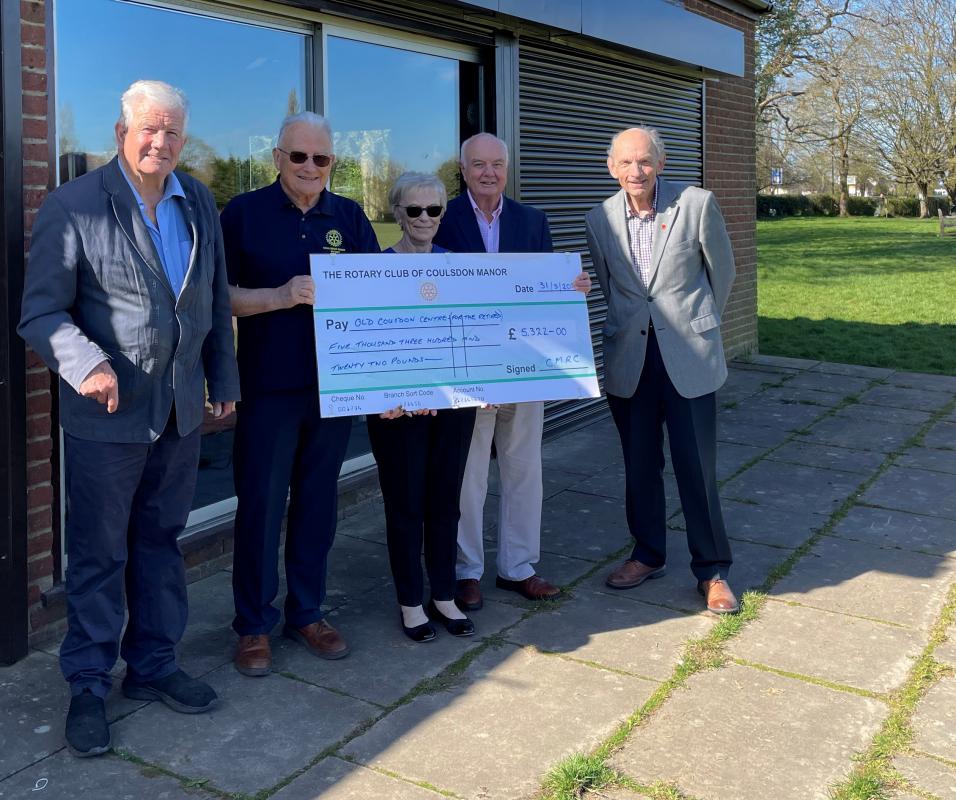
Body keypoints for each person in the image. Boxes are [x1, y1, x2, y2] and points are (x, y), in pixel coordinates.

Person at [18, 80, 240, 757]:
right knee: (97, 555)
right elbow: (40, 313)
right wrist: (84, 362)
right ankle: (88, 684)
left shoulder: (198, 199)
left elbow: (213, 296)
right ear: (122, 131)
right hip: (106, 421)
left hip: (177, 413)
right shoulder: (75, 206)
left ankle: (153, 665)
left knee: (159, 543)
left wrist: (224, 377)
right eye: (149, 129)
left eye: (173, 131)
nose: (161, 142)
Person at [222, 111, 379, 677]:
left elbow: (378, 301)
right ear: (277, 158)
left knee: (318, 505)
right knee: (261, 507)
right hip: (267, 388)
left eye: (322, 159)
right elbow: (220, 300)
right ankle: (252, 625)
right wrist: (281, 296)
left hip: (333, 389)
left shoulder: (351, 216)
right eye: (299, 157)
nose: (311, 167)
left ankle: (307, 611)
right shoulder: (243, 215)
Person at [584, 126, 739, 614]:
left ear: (661, 164)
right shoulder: (598, 218)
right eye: (626, 163)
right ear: (612, 168)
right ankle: (648, 554)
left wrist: (698, 328)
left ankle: (712, 570)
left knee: (696, 466)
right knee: (639, 465)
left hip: (688, 358)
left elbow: (723, 273)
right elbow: (612, 288)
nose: (636, 171)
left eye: (645, 161)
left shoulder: (696, 204)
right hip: (631, 358)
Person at [433, 133, 590, 610]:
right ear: (462, 170)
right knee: (469, 474)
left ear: (507, 168)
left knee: (524, 469)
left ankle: (519, 567)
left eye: (497, 164)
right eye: (478, 164)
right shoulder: (443, 220)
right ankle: (466, 572)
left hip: (525, 367)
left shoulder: (531, 220)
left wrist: (571, 290)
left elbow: (545, 291)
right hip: (468, 369)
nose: (488, 173)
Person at [367, 172, 478, 642]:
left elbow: (479, 332)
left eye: (434, 210)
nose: (425, 219)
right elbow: (365, 342)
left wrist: (564, 290)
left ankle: (445, 594)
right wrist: (382, 397)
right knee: (405, 504)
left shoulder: (460, 267)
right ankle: (411, 601)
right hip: (397, 412)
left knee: (444, 502)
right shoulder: (372, 271)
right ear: (397, 213)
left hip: (452, 406)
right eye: (414, 210)